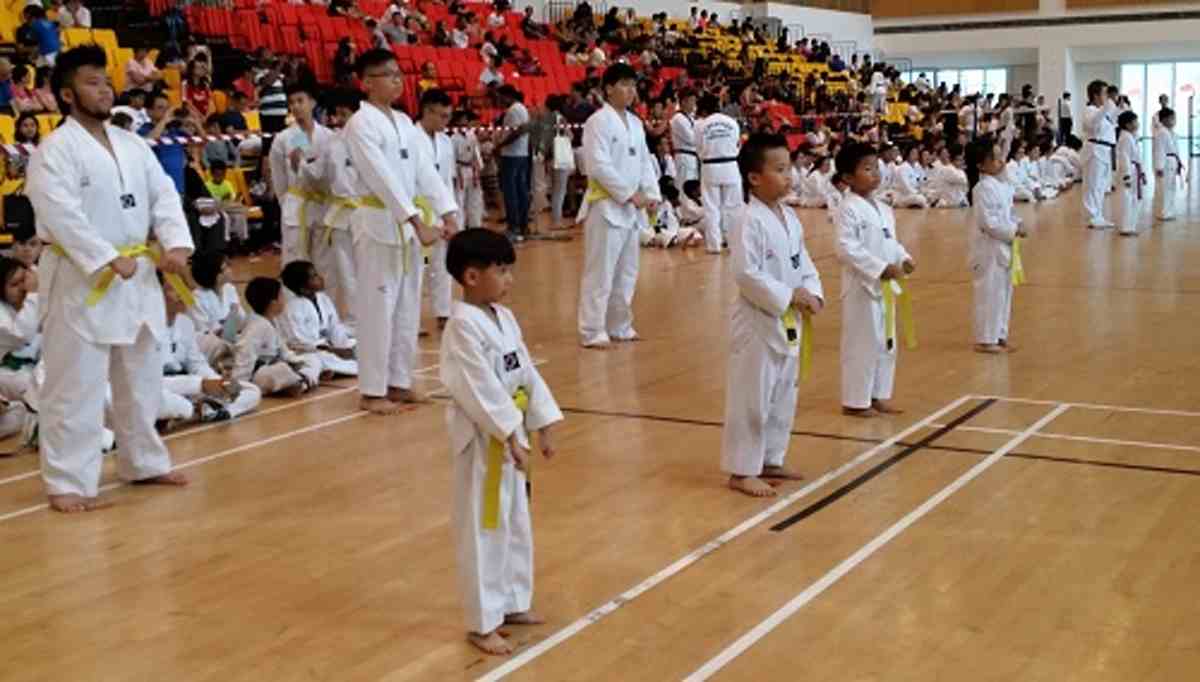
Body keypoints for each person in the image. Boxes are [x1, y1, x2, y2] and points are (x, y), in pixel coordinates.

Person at [26, 45, 194, 512]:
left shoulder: (132, 143)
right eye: (91, 82)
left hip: (136, 273)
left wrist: (175, 242)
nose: (103, 89)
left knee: (140, 374)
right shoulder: (53, 152)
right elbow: (59, 214)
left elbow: (163, 194)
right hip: (84, 277)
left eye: (105, 81)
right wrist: (102, 256)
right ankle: (67, 480)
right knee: (75, 383)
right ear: (66, 93)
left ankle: (143, 461)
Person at [440, 228, 562, 656]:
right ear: (471, 277)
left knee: (514, 522)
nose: (509, 279)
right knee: (482, 529)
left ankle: (512, 602)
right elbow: (479, 389)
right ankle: (482, 621)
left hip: (512, 437)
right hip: (482, 442)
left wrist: (542, 422)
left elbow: (527, 372)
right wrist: (510, 432)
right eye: (502, 271)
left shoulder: (503, 318)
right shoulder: (461, 328)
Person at [344, 48, 457, 415]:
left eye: (398, 73)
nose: (396, 79)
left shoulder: (405, 123)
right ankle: (372, 390)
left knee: (408, 307)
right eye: (387, 74)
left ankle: (399, 381)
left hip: (409, 230)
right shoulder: (360, 124)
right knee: (378, 307)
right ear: (367, 82)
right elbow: (382, 178)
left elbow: (425, 173)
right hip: (379, 224)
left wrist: (448, 210)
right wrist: (414, 219)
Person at [721, 133, 823, 497]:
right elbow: (747, 273)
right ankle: (741, 468)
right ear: (753, 177)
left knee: (783, 393)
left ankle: (771, 457)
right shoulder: (747, 219)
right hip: (757, 322)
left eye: (789, 167)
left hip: (787, 320)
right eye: (779, 169)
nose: (789, 176)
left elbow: (804, 261)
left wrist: (813, 292)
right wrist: (788, 295)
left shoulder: (790, 217)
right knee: (752, 395)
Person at [576, 63, 660, 349]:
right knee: (600, 272)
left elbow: (645, 163)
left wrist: (652, 194)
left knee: (627, 272)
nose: (630, 91)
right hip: (605, 206)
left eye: (633, 86)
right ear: (608, 88)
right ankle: (592, 329)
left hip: (632, 209)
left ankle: (620, 325)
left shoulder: (636, 123)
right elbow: (598, 166)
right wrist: (628, 194)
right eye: (624, 85)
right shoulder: (597, 122)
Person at [833, 142, 914, 418]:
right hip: (861, 286)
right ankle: (856, 401)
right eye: (867, 169)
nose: (875, 174)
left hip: (885, 285)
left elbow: (891, 242)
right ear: (847, 177)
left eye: (876, 168)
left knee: (885, 342)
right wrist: (880, 268)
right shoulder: (848, 208)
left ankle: (878, 394)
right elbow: (846, 248)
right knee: (862, 343)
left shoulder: (883, 208)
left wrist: (903, 258)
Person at [157, 277, 261, 429]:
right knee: (168, 401)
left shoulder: (185, 323)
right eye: (174, 289)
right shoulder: (146, 329)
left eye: (184, 290)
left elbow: (197, 363)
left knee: (251, 391)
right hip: (164, 387)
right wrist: (200, 385)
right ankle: (193, 409)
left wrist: (218, 382)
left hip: (190, 385)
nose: (181, 295)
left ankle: (217, 411)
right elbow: (150, 381)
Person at [967, 139, 1026, 354]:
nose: (1000, 161)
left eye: (1001, 156)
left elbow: (1009, 213)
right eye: (995, 157)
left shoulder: (1002, 186)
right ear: (981, 165)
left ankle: (1000, 334)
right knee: (989, 293)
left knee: (1003, 293)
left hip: (1004, 247)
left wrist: (1018, 223)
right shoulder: (982, 188)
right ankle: (985, 339)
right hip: (988, 250)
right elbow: (988, 222)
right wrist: (1013, 229)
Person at [309, 89, 360, 327]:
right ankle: (351, 318)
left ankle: (371, 316)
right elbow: (319, 173)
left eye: (344, 114)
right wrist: (302, 163)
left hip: (366, 212)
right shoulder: (332, 143)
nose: (339, 119)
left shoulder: (370, 140)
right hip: (340, 212)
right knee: (344, 269)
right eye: (337, 114)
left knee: (368, 268)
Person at [270, 82, 333, 266]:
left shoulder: (328, 137)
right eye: (292, 102)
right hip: (296, 205)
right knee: (295, 262)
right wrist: (288, 201)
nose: (296, 106)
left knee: (323, 264)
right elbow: (278, 179)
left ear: (312, 103)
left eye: (300, 101)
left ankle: (322, 296)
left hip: (322, 205)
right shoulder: (283, 138)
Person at [234, 277, 321, 396]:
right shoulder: (256, 326)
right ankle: (300, 381)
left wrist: (297, 361)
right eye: (282, 296)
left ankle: (300, 380)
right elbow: (244, 355)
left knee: (312, 359)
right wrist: (239, 383)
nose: (285, 300)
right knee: (280, 370)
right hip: (257, 374)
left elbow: (284, 352)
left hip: (275, 365)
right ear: (273, 303)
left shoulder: (272, 320)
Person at [414, 88, 457, 331]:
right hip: (417, 211)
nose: (446, 121)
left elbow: (446, 180)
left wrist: (451, 213)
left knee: (442, 263)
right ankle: (413, 317)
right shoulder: (409, 137)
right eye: (442, 116)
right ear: (427, 111)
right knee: (418, 267)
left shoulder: (446, 141)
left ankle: (443, 311)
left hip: (442, 210)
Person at [277, 260, 357, 376]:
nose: (320, 278)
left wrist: (343, 347)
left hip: (331, 347)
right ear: (303, 287)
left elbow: (335, 327)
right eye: (314, 276)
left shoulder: (323, 299)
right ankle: (319, 372)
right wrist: (332, 351)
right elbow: (298, 342)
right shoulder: (292, 308)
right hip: (308, 352)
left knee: (361, 346)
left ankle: (336, 368)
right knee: (317, 360)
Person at [695, 92, 741, 254]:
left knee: (711, 207)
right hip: (731, 165)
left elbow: (699, 148)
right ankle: (732, 243)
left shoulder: (700, 124)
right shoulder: (732, 122)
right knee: (732, 207)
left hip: (710, 167)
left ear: (704, 109)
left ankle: (714, 245)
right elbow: (737, 145)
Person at [188, 251, 243, 365]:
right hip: (211, 348)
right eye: (226, 267)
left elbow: (242, 319)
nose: (230, 268)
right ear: (218, 276)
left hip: (233, 339)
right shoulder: (197, 298)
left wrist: (232, 322)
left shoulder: (229, 289)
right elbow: (204, 333)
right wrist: (230, 321)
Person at [494, 85, 532, 241]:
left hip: (512, 155)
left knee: (511, 192)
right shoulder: (521, 108)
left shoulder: (513, 110)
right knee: (521, 191)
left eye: (500, 97)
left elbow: (518, 131)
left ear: (507, 96)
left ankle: (513, 227)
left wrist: (500, 145)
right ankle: (522, 225)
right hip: (521, 154)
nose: (499, 100)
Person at [1082, 80, 1117, 229]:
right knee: (1093, 185)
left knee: (1101, 186)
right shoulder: (1090, 110)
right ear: (1096, 95)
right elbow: (1092, 125)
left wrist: (1109, 108)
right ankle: (1092, 216)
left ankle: (1099, 215)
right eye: (1104, 93)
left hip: (1105, 150)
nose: (1107, 96)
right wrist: (1105, 109)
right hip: (1095, 149)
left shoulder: (1104, 111)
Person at [451, 109, 484, 230]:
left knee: (475, 198)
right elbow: (451, 158)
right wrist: (453, 173)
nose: (465, 122)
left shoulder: (471, 134)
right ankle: (460, 228)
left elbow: (476, 152)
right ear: (456, 121)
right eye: (462, 120)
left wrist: (479, 166)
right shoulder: (453, 137)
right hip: (459, 170)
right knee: (459, 200)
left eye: (466, 120)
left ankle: (475, 225)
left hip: (472, 169)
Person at [1115, 111, 1144, 237]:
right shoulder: (1125, 137)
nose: (1137, 124)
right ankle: (1125, 227)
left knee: (1132, 198)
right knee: (1127, 199)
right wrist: (1126, 175)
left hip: (1133, 168)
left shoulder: (1129, 135)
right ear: (1127, 125)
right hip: (1128, 170)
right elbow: (1124, 157)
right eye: (1134, 121)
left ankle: (1129, 226)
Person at [1153, 107, 1183, 223]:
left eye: (1174, 118)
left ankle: (1169, 210)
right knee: (1164, 188)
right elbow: (1159, 150)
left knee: (1171, 187)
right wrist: (1159, 167)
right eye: (1172, 118)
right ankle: (1163, 212)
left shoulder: (1172, 133)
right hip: (1165, 162)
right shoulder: (1161, 133)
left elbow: (1176, 150)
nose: (1174, 121)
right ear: (1164, 120)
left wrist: (1178, 162)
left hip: (1172, 161)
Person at [670, 88, 699, 194]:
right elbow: (692, 139)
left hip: (692, 157)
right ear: (683, 102)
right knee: (684, 189)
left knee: (692, 189)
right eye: (692, 101)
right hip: (684, 157)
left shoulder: (691, 118)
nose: (694, 104)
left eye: (695, 101)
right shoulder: (678, 118)